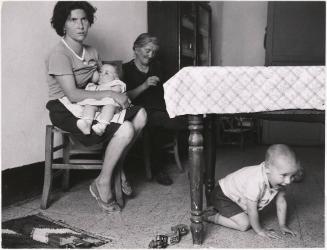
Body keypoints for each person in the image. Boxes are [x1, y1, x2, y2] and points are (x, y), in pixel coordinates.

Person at [45, 1, 147, 213]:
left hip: (94, 102)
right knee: (126, 128)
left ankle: (111, 170)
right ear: (63, 25)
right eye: (73, 20)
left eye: (84, 19)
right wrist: (111, 94)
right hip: (67, 108)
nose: (81, 25)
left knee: (142, 115)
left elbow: (101, 82)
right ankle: (104, 184)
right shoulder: (59, 54)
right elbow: (72, 94)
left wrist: (115, 92)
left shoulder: (92, 51)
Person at [123, 33, 187, 186]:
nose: (151, 55)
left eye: (154, 52)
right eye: (147, 50)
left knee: (168, 118)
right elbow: (125, 97)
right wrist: (144, 86)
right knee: (155, 123)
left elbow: (170, 89)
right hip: (140, 112)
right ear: (136, 49)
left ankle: (187, 125)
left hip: (161, 109)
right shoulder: (126, 69)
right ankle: (158, 169)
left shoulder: (157, 67)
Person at [203, 144, 300, 239]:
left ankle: (219, 210)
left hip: (235, 198)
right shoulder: (256, 181)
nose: (288, 181)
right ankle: (210, 216)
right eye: (284, 175)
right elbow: (251, 210)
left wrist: (282, 225)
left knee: (248, 217)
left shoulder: (279, 180)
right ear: (267, 168)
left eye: (292, 176)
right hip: (222, 195)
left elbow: (281, 201)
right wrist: (259, 230)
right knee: (245, 224)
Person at [76, 63, 128, 136]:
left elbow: (117, 90)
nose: (102, 75)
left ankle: (102, 126)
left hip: (111, 106)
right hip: (98, 105)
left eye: (106, 73)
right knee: (89, 105)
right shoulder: (96, 86)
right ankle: (87, 122)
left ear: (116, 78)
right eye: (100, 72)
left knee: (109, 107)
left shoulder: (115, 83)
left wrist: (105, 89)